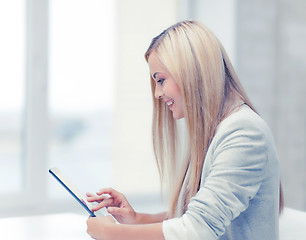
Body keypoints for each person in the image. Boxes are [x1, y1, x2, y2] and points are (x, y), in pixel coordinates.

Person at [86, 20, 284, 240]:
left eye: (161, 80)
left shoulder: (244, 133)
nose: (157, 94)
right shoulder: (219, 130)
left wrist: (112, 233)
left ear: (191, 72)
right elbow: (195, 217)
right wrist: (136, 219)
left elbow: (199, 229)